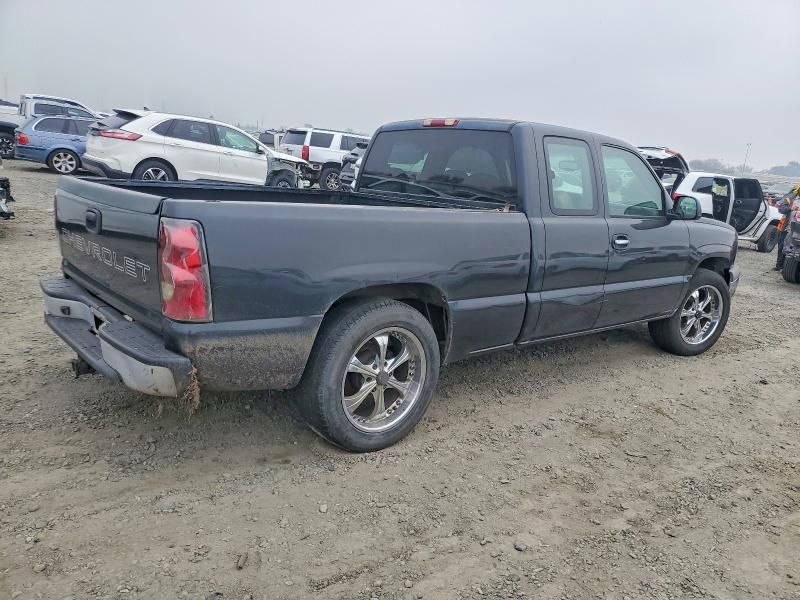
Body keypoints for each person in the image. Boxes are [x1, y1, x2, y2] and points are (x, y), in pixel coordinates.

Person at [775, 185, 800, 270]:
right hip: (786, 227)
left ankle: (787, 268)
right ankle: (779, 265)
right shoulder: (791, 199)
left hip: (798, 231)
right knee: (781, 246)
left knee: (793, 250)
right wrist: (790, 209)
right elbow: (780, 209)